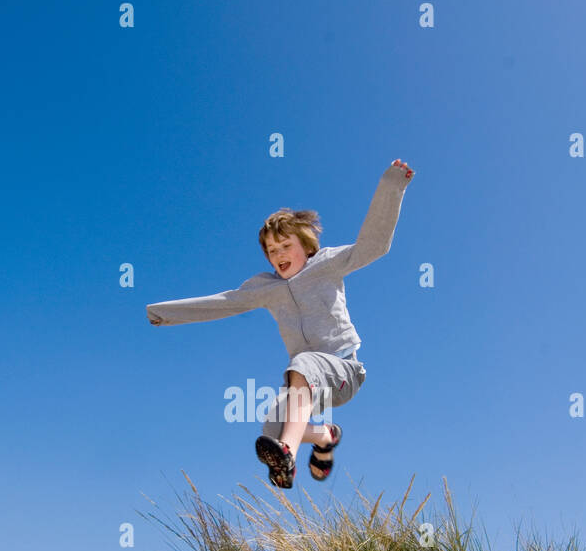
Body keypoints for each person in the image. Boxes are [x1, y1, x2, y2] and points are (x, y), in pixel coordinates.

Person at [146, 159, 415, 488]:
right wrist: (167, 314)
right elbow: (226, 302)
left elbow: (373, 247)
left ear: (306, 246)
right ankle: (325, 436)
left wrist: (392, 186)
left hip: (344, 372)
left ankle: (286, 453)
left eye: (286, 246)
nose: (279, 254)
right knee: (271, 425)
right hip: (307, 383)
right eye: (272, 250)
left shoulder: (326, 264)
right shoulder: (266, 287)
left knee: (301, 368)